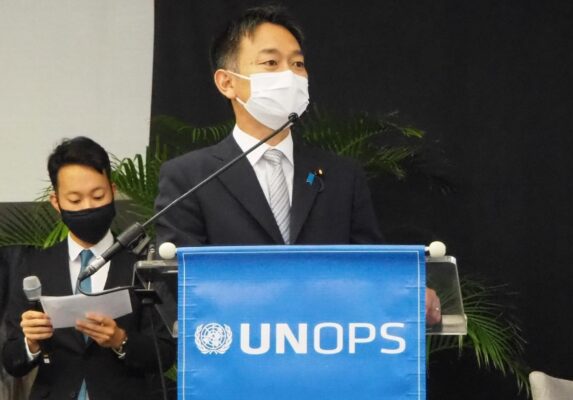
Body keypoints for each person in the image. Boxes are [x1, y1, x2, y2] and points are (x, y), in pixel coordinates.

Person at [154, 5, 441, 324]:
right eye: (271, 63)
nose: (289, 75)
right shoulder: (190, 177)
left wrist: (405, 293)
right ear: (226, 83)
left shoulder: (342, 176)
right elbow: (179, 284)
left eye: (298, 64)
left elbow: (368, 269)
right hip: (235, 344)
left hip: (328, 340)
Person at [2, 137, 175, 400]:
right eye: (74, 200)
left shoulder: (140, 264)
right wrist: (31, 343)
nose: (88, 207)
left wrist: (120, 340)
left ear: (112, 191)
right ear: (56, 202)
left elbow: (165, 353)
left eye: (98, 196)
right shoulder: (35, 265)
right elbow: (12, 361)